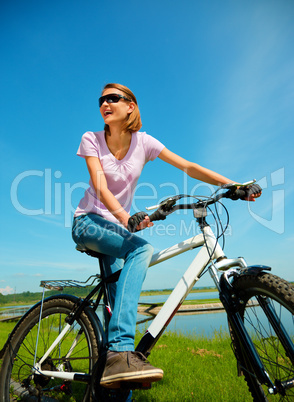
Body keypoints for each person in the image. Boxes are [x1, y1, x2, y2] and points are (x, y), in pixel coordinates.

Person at [72, 83, 261, 388]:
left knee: (117, 306)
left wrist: (233, 185)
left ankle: (117, 376)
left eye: (113, 98)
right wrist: (125, 217)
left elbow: (188, 165)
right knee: (142, 251)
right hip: (89, 222)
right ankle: (121, 351)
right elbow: (101, 186)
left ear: (131, 106)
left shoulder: (143, 143)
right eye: (101, 100)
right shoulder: (92, 139)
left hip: (117, 228)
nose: (105, 103)